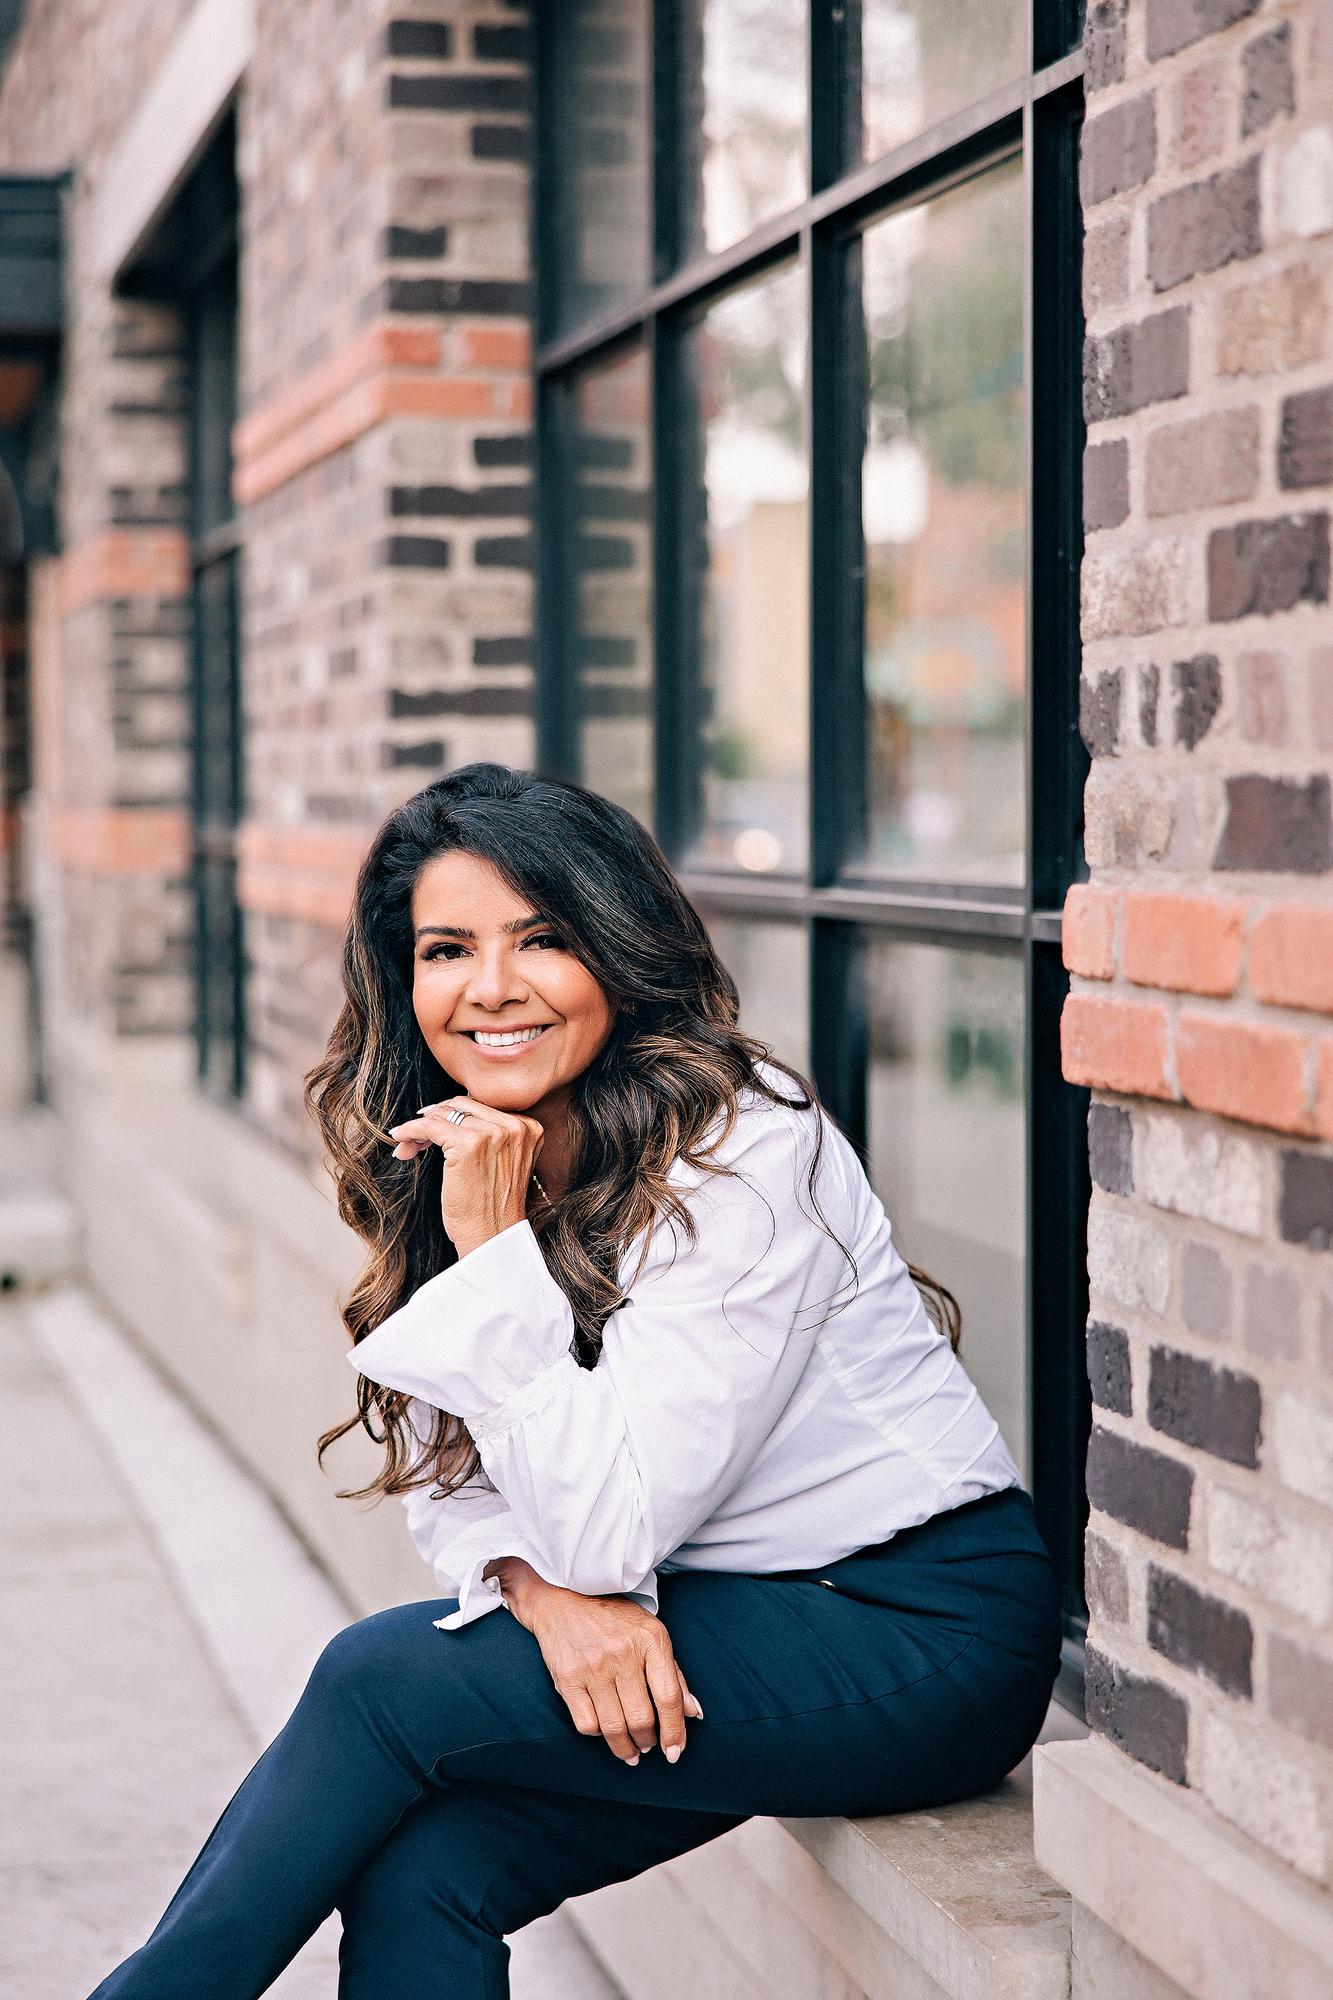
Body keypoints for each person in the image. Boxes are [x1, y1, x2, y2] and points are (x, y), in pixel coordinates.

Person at [89, 762, 1062, 2000]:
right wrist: (541, 1593)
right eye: (445, 949)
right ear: (405, 978)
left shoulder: (746, 1148)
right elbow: (457, 1487)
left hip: (917, 1629)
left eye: (540, 939)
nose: (489, 987)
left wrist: (496, 1255)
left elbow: (608, 1525)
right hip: (722, 1605)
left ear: (616, 948)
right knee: (427, 1867)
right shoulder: (468, 1144)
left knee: (376, 1678)